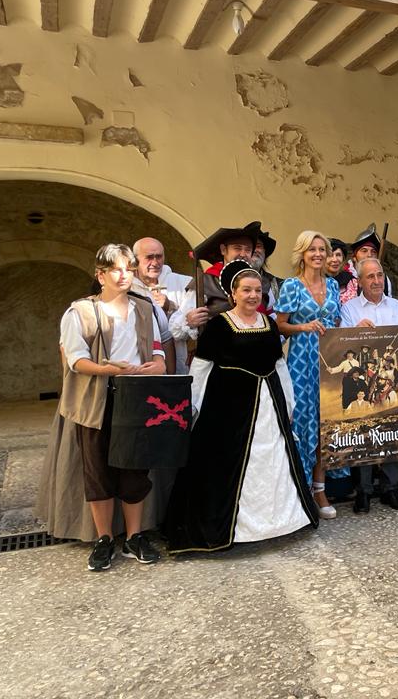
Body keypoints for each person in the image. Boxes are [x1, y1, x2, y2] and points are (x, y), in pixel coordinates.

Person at [164, 261, 319, 552]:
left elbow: (279, 365)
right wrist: (194, 407)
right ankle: (238, 529)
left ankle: (278, 521)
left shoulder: (270, 324)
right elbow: (201, 367)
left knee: (273, 459)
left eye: (257, 290)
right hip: (228, 409)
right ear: (233, 294)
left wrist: (288, 402)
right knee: (227, 465)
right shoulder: (220, 326)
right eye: (246, 290)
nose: (252, 295)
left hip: (268, 405)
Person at [35, 244, 166, 571]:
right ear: (101, 274)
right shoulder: (79, 312)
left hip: (135, 398)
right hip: (96, 401)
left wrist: (158, 365)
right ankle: (105, 538)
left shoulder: (144, 309)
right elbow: (77, 360)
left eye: (129, 269)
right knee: (98, 471)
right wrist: (110, 370)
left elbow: (156, 348)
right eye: (117, 269)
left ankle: (135, 537)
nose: (124, 275)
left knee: (134, 470)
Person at [340, 257, 398, 513]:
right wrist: (355, 330)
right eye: (370, 277)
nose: (376, 281)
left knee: (392, 430)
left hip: (392, 381)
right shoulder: (349, 308)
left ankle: (390, 489)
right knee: (365, 433)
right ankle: (363, 492)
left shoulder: (396, 305)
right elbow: (343, 345)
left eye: (379, 275)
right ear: (360, 281)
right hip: (365, 383)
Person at [275, 231, 342, 519]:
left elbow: (337, 322)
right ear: (301, 254)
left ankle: (319, 489)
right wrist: (303, 327)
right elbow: (279, 326)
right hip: (301, 362)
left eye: (322, 249)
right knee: (302, 425)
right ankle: (299, 491)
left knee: (325, 425)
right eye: (312, 249)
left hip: (329, 362)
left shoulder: (334, 286)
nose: (318, 254)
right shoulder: (291, 286)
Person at [172, 222, 261, 342]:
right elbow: (175, 330)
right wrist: (189, 321)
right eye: (237, 248)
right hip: (217, 353)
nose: (243, 254)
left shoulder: (260, 283)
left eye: (248, 250)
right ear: (223, 250)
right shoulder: (206, 281)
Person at [133, 237, 193, 372]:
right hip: (139, 363)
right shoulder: (128, 287)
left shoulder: (183, 283)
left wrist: (170, 307)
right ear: (135, 260)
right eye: (149, 257)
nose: (155, 262)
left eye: (159, 257)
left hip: (176, 358)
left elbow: (192, 328)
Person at [341, 224, 394, 303]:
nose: (369, 255)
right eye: (364, 251)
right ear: (354, 257)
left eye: (373, 251)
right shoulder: (342, 276)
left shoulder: (384, 279)